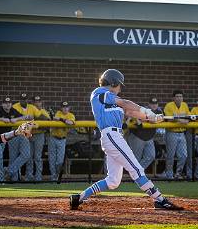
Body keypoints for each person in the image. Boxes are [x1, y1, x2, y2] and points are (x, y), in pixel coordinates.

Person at [68, 69, 183, 210]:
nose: (120, 88)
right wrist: (146, 110)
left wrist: (151, 117)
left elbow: (131, 111)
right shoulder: (99, 93)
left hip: (114, 137)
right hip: (111, 136)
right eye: (119, 85)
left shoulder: (112, 102)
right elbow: (124, 102)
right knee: (136, 169)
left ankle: (79, 197)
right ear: (113, 82)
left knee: (113, 181)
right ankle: (160, 199)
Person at [0, 97, 26, 181]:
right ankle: (0, 179)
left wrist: (16, 119)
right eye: (5, 103)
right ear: (2, 104)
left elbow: (25, 117)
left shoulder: (13, 110)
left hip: (3, 139)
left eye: (9, 103)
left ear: (11, 104)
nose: (7, 104)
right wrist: (2, 119)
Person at [9, 93, 42, 181]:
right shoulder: (15, 106)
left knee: (26, 155)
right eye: (22, 99)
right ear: (20, 100)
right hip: (15, 134)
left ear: (28, 100)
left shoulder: (32, 107)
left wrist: (36, 122)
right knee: (13, 157)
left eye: (25, 99)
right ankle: (14, 178)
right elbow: (12, 119)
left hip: (25, 135)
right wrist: (26, 117)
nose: (24, 101)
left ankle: (10, 171)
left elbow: (41, 115)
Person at [127, 97, 163, 171]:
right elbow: (131, 114)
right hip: (138, 136)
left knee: (151, 156)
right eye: (152, 104)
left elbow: (161, 119)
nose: (154, 105)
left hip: (149, 137)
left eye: (155, 104)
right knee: (136, 158)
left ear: (158, 104)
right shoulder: (143, 110)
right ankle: (135, 175)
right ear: (149, 104)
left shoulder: (159, 112)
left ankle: (137, 172)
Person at [161, 90, 190, 179]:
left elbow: (188, 118)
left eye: (180, 96)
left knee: (184, 155)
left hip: (182, 133)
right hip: (171, 133)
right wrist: (181, 120)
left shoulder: (185, 105)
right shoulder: (169, 105)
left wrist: (180, 120)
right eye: (177, 96)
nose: (179, 98)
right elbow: (169, 119)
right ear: (173, 98)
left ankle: (178, 173)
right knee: (171, 155)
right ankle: (169, 174)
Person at [48, 101, 75, 181]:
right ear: (61, 108)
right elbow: (55, 118)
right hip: (53, 138)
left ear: (69, 108)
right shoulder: (58, 113)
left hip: (62, 139)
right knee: (52, 160)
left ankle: (56, 175)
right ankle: (53, 178)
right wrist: (62, 119)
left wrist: (61, 119)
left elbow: (70, 123)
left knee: (59, 161)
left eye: (67, 107)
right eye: (63, 107)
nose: (65, 108)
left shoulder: (71, 115)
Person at [26, 95, 51, 181]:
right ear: (32, 103)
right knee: (29, 156)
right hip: (29, 135)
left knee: (37, 157)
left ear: (41, 102)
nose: (37, 103)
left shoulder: (43, 111)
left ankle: (38, 176)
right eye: (35, 102)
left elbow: (48, 123)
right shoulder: (29, 109)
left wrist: (38, 124)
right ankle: (29, 176)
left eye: (39, 101)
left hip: (39, 135)